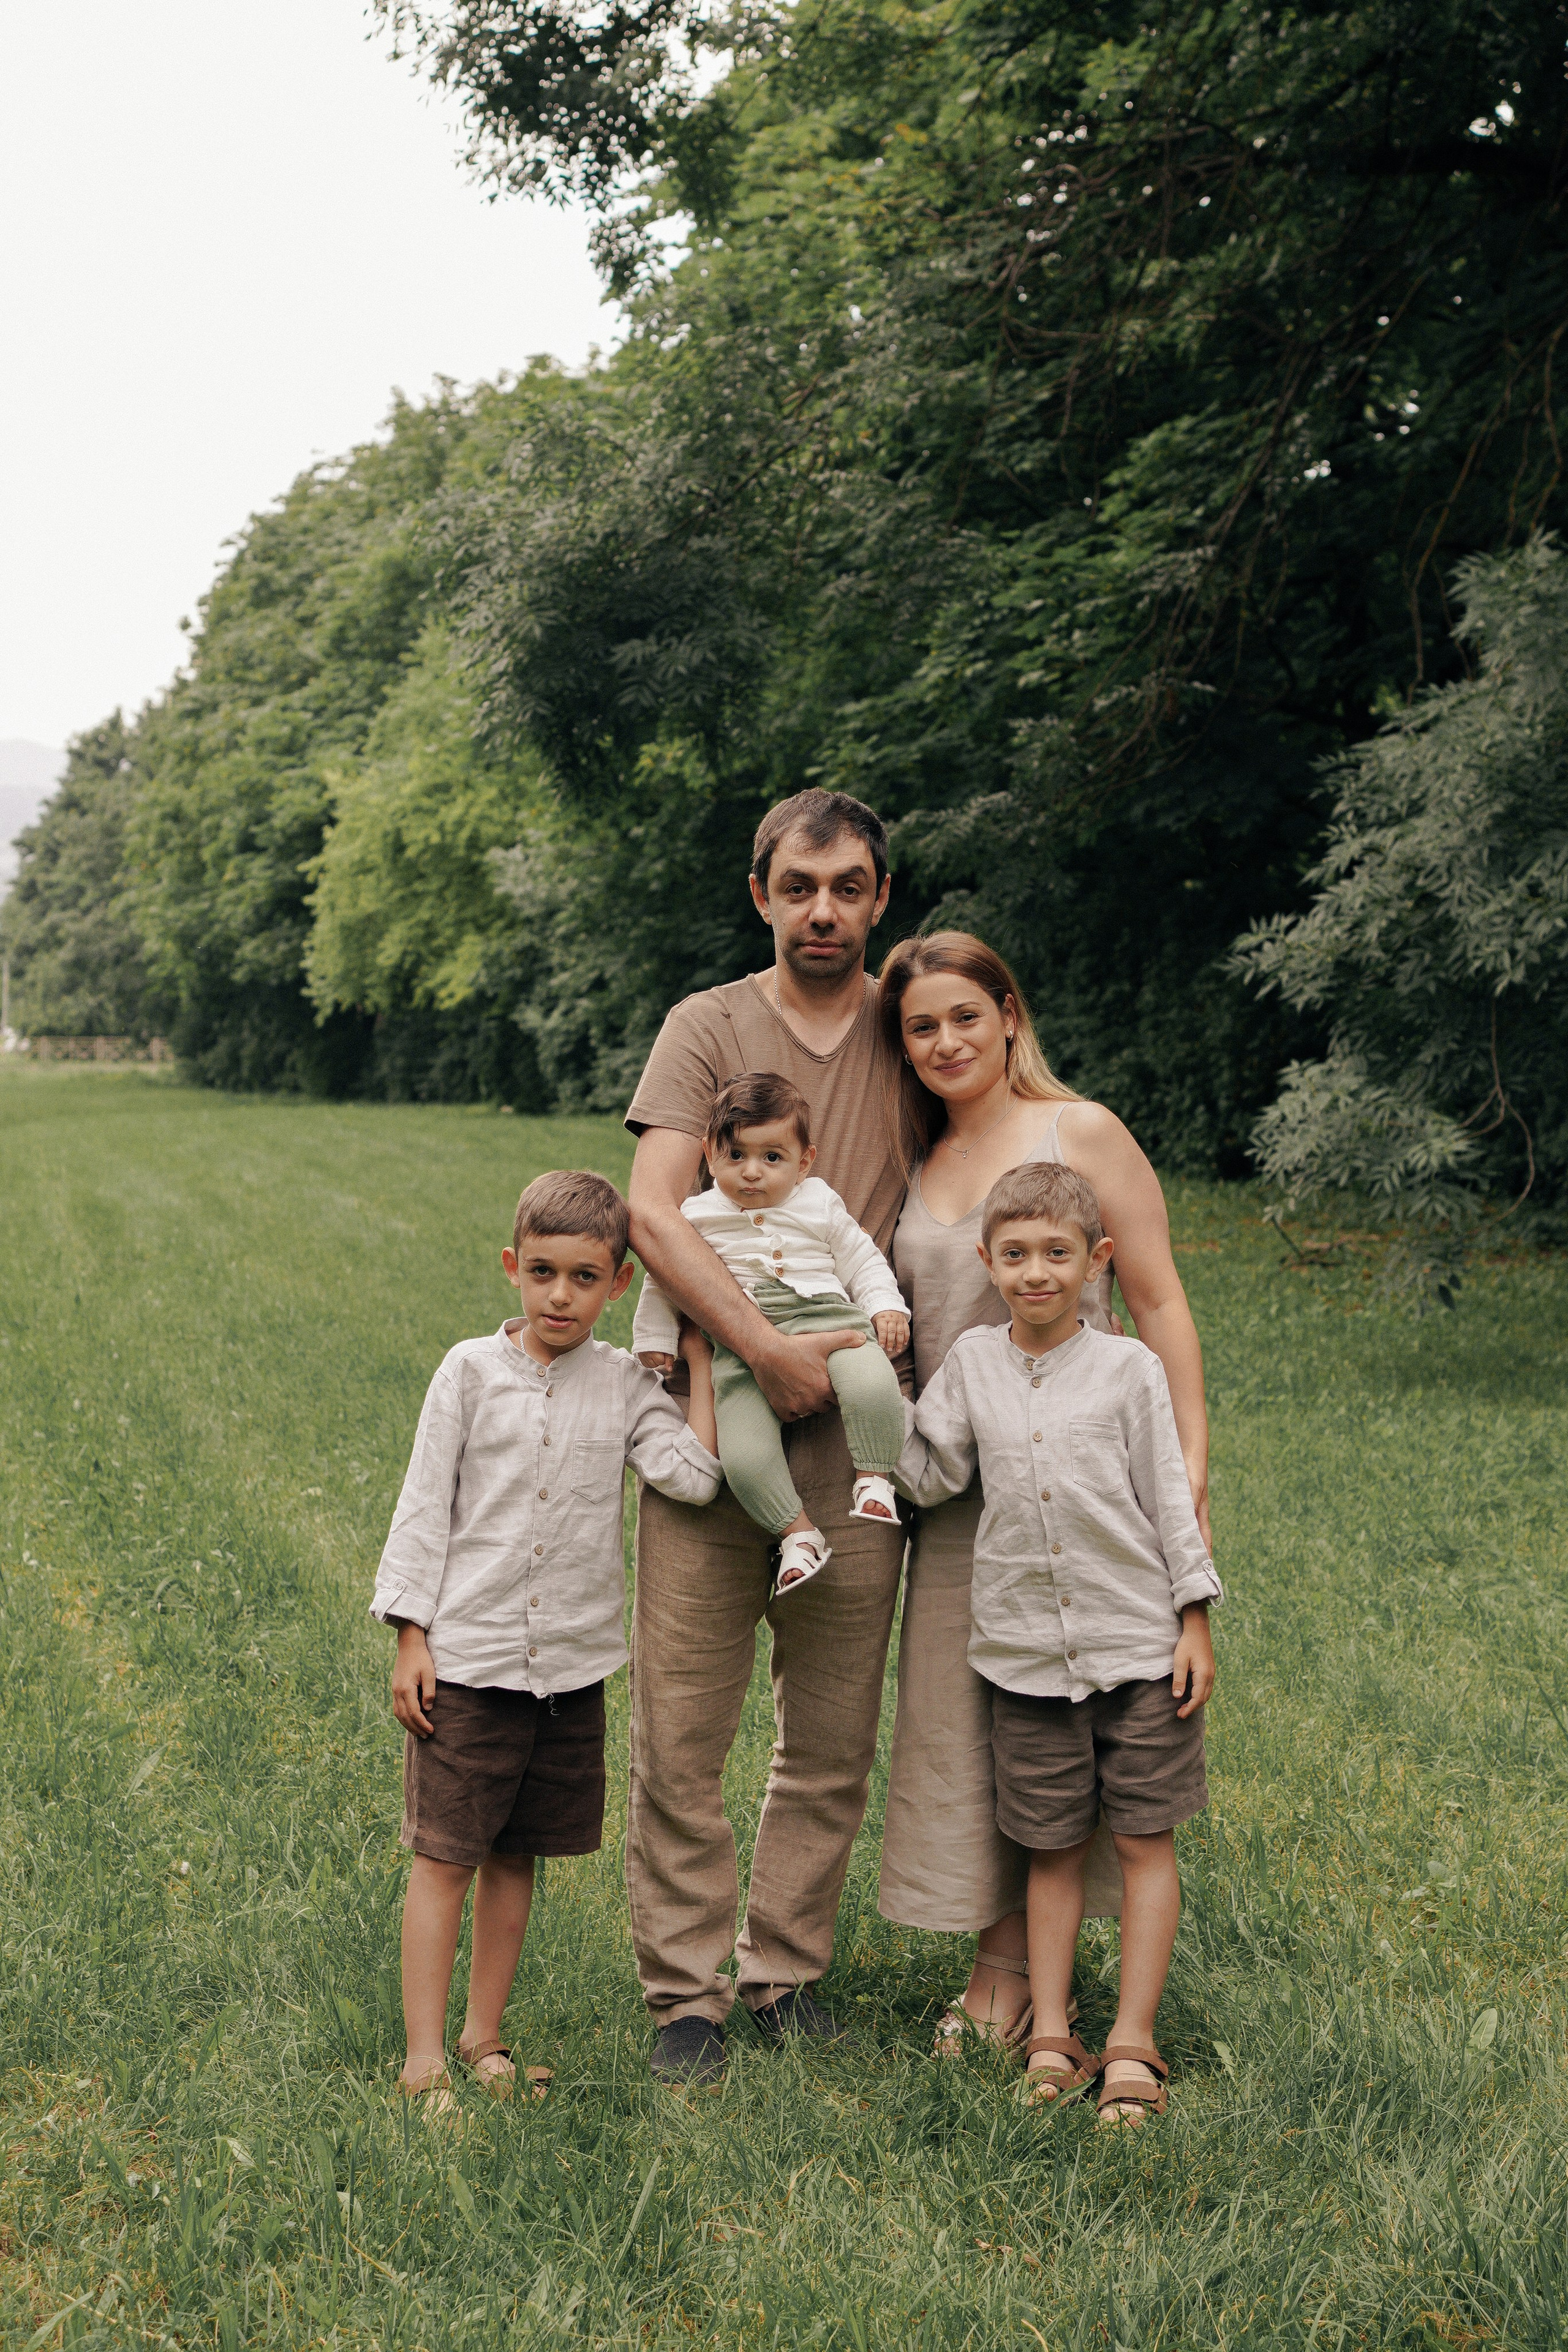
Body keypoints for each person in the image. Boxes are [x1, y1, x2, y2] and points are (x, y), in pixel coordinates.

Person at [876, 932, 1213, 2062]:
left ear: (1010, 1014)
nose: (946, 1041)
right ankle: (1003, 1965)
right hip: (959, 1477)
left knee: (1089, 1716)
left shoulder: (1083, 1131)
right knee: (977, 1733)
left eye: (966, 1015)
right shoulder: (915, 1154)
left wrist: (1190, 1474)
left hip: (1086, 1477)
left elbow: (1159, 1302)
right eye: (921, 1026)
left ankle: (1051, 1995)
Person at [625, 787, 908, 2086]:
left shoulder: (911, 1027)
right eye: (799, 887)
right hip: (717, 1403)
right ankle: (685, 1996)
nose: (823, 911)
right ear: (761, 895)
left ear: (880, 898)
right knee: (682, 1728)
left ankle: (783, 1972)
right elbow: (653, 1210)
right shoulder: (707, 1026)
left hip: (856, 1420)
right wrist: (757, 1348)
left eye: (847, 887)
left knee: (833, 1734)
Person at [369, 1170, 722, 2108]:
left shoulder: (625, 1386)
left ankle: (483, 2036)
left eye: (584, 1278)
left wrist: (699, 1362)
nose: (560, 1296)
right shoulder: (468, 1373)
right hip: (468, 1663)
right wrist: (412, 1634)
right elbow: (423, 1506)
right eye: (542, 1273)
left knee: (516, 1854)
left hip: (567, 1674)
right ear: (511, 1267)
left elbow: (692, 1478)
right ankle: (423, 2058)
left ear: (618, 1285)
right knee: (445, 1856)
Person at [633, 1070, 909, 1591]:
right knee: (743, 1455)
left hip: (830, 1318)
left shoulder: (819, 1201)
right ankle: (798, 1535)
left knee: (873, 1384)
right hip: (739, 1352)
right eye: (735, 1155)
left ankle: (874, 1476)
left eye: (772, 1157)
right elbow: (665, 1278)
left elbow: (862, 1259)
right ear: (709, 1155)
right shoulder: (697, 1214)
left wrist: (885, 1307)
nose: (752, 1172)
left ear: (804, 1162)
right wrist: (654, 1338)